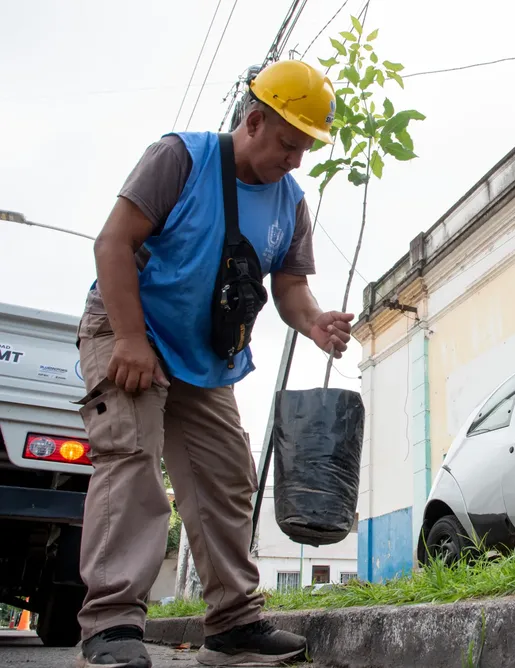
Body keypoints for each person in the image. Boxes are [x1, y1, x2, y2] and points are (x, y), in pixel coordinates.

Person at [75, 59, 352, 668]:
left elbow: (290, 288)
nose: (296, 160)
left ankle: (232, 625)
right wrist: (128, 339)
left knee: (229, 477)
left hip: (204, 354)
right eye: (288, 144)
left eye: (304, 148)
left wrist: (315, 323)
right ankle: (112, 626)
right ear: (254, 121)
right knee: (132, 459)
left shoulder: (290, 204)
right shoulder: (180, 158)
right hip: (129, 327)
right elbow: (113, 243)